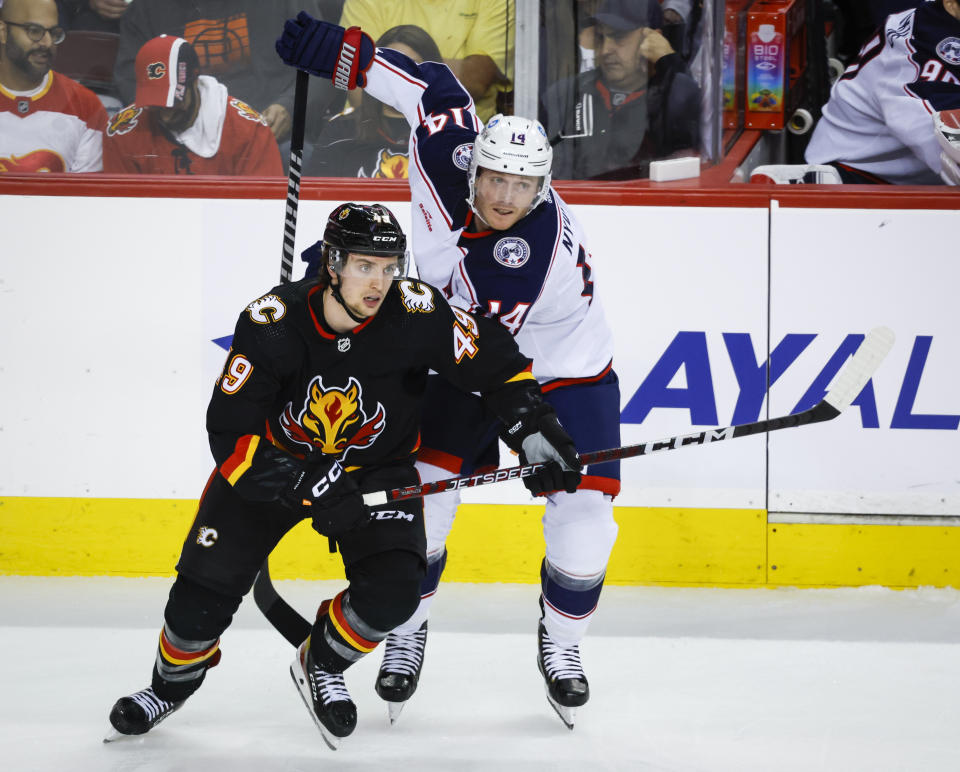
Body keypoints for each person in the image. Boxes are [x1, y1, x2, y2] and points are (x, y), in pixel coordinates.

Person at [106, 202, 581, 750]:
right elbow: (230, 434)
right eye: (363, 266)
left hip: (373, 472)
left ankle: (322, 662)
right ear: (331, 264)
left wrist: (533, 425)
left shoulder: (416, 313)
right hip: (272, 470)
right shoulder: (272, 324)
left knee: (395, 593)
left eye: (388, 266)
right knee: (194, 610)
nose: (378, 282)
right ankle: (170, 686)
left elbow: (494, 363)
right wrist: (305, 480)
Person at [277, 12, 621, 729]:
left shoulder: (531, 251)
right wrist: (340, 53)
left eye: (522, 188)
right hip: (459, 349)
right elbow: (422, 84)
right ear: (475, 164)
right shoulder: (446, 146)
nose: (503, 198)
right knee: (426, 495)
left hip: (561, 364)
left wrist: (533, 430)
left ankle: (563, 647)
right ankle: (405, 629)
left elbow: (482, 350)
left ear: (542, 189)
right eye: (493, 178)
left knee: (586, 512)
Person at [112, 0, 332, 141]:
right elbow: (131, 79)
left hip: (267, 133)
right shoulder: (147, 8)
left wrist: (289, 107)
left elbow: (323, 62)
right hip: (175, 133)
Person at [541, 0, 701, 180]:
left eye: (619, 37)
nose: (606, 50)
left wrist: (667, 61)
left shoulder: (675, 98)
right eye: (600, 37)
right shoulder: (563, 95)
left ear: (653, 40)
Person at [805, 0, 960, 184]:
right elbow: (951, 141)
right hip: (858, 174)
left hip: (917, 176)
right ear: (950, 4)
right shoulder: (918, 55)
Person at [102, 35, 282, 176]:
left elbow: (264, 210)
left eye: (174, 102)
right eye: (157, 105)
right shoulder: (122, 132)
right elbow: (119, 211)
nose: (165, 116)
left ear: (195, 82)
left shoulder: (250, 130)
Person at [337, 0, 513, 121]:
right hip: (369, 133)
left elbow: (474, 82)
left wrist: (384, 67)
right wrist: (436, 69)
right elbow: (358, 84)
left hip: (461, 137)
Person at [305, 24, 442, 178]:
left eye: (413, 66)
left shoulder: (453, 133)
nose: (401, 75)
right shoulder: (341, 129)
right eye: (392, 66)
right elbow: (316, 197)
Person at [0, 0, 107, 173]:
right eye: (34, 31)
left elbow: (85, 196)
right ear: (3, 31)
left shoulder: (86, 106)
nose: (47, 43)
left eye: (54, 33)